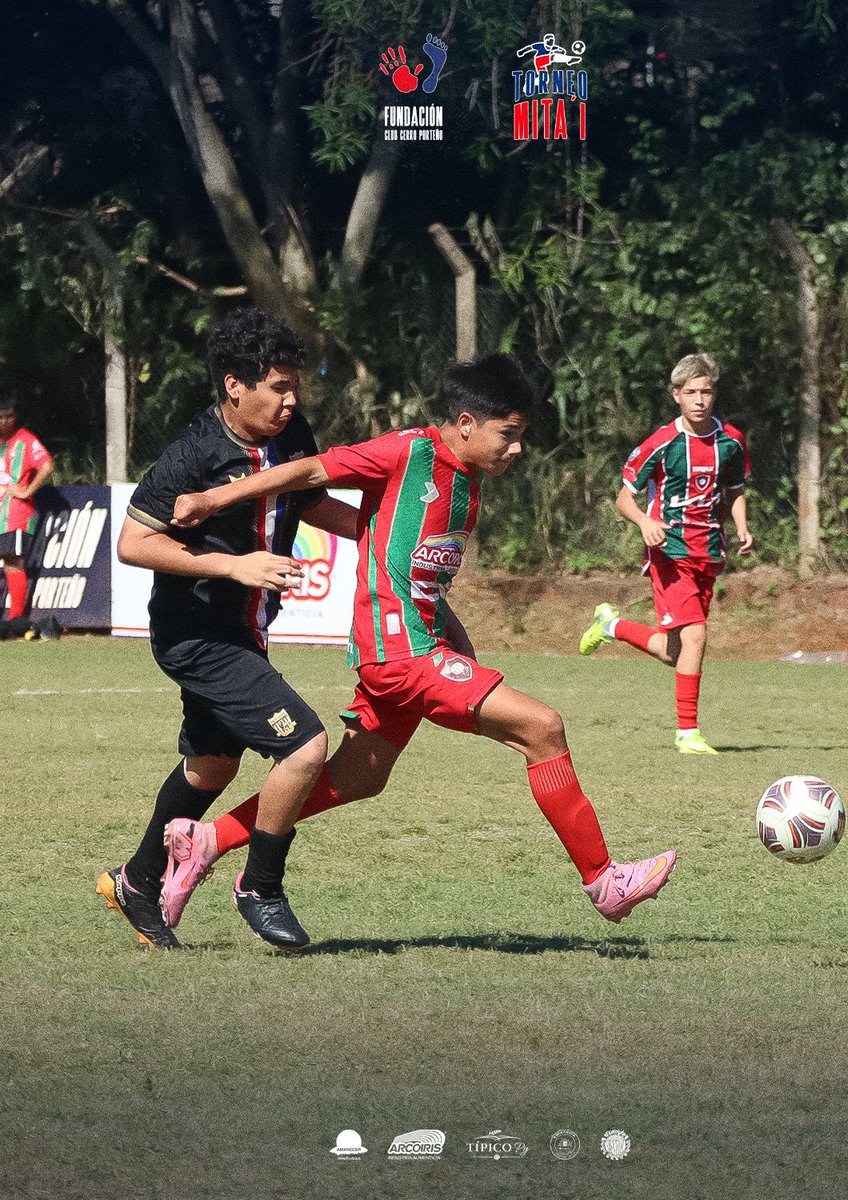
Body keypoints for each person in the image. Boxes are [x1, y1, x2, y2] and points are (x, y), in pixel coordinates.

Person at [159, 353, 676, 932]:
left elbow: (420, 575)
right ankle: (604, 880)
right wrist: (213, 499)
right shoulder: (407, 452)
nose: (517, 448)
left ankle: (207, 840)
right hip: (399, 654)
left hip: (419, 648)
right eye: (507, 434)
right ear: (465, 424)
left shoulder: (469, 484)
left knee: (359, 778)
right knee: (542, 727)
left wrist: (456, 636)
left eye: (521, 436)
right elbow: (308, 473)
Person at [95, 307, 359, 952]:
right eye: (279, 387)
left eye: (295, 387)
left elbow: (309, 501)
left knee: (212, 766)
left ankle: (137, 880)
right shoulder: (193, 454)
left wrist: (383, 534)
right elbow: (132, 543)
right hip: (197, 634)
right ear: (234, 386)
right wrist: (233, 565)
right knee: (305, 747)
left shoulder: (292, 435)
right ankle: (260, 886)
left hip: (243, 632)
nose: (292, 401)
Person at [578, 353, 753, 754]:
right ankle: (687, 733)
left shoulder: (730, 441)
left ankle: (611, 626)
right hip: (670, 551)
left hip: (709, 552)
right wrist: (644, 522)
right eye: (690, 392)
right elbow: (624, 498)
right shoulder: (661, 443)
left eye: (706, 391)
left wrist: (742, 526)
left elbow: (735, 491)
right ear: (676, 395)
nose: (699, 400)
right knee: (696, 635)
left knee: (676, 651)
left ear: (715, 393)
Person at [0, 397, 54, 620]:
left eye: (9, 417)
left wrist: (27, 491)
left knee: (13, 562)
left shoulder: (26, 440)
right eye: (0, 417)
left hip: (15, 514)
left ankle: (16, 619)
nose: (4, 422)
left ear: (16, 417)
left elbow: (47, 465)